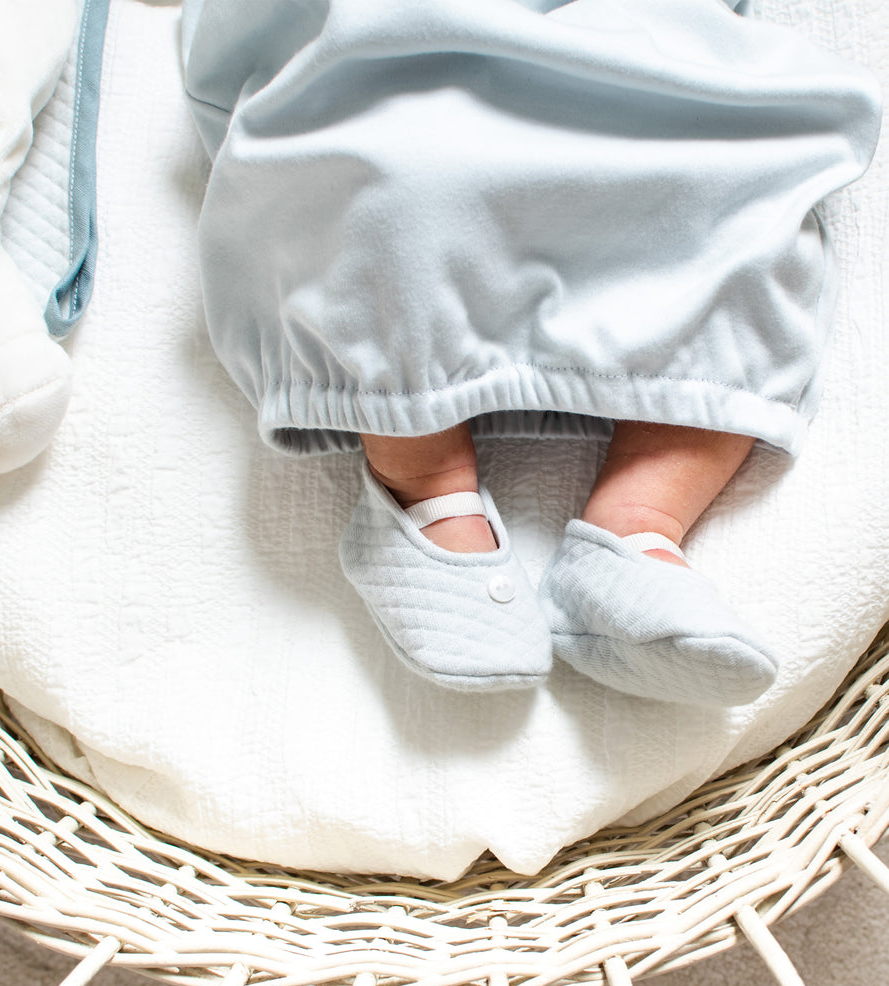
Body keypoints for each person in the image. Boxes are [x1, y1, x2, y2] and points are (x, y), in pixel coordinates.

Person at [180, 0, 882, 700]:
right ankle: (425, 488)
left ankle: (639, 529)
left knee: (737, 194)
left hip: (638, 54)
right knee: (396, 184)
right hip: (410, 52)